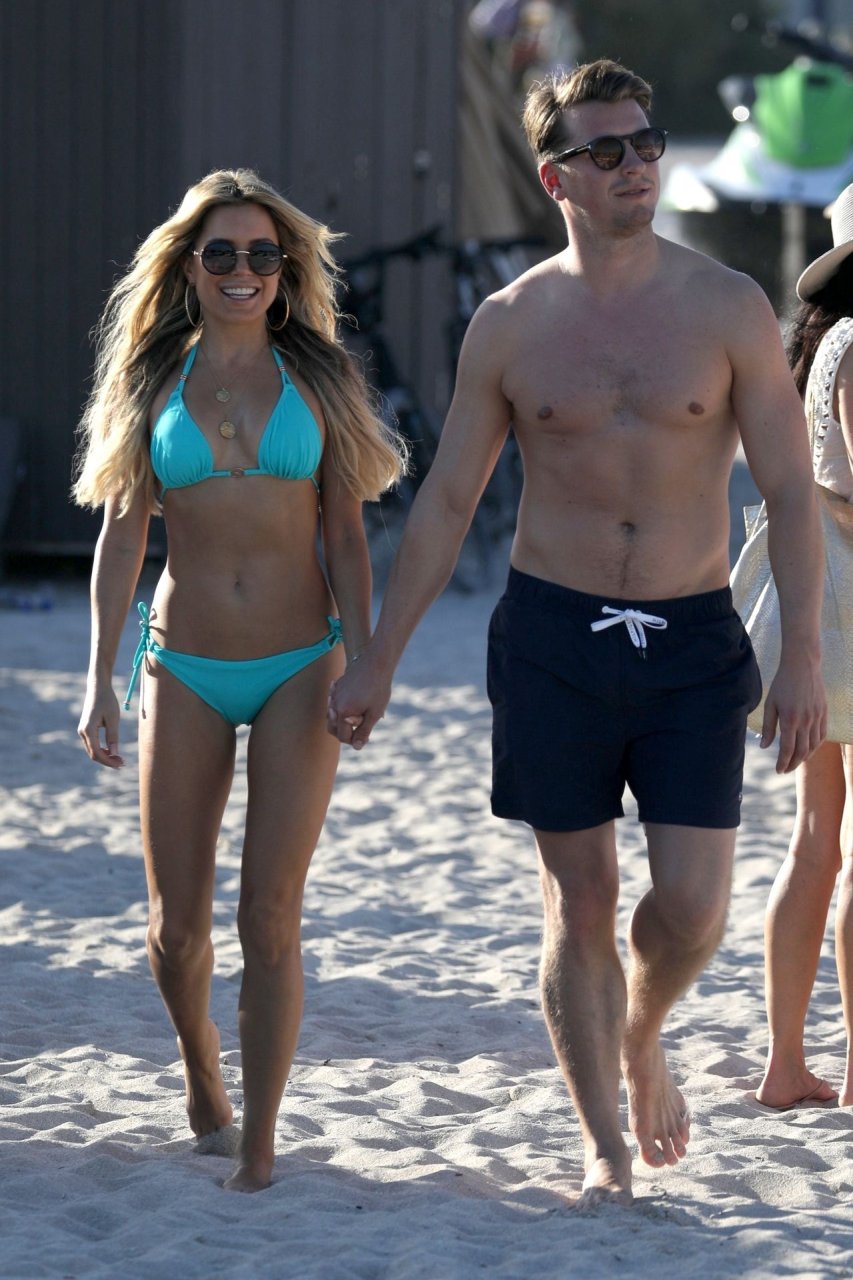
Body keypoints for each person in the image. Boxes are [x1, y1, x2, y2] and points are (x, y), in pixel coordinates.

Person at [327, 59, 827, 1208]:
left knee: (692, 908)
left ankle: (637, 1031)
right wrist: (380, 658)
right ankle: (603, 1142)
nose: (634, 165)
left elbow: (790, 491)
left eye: (645, 143)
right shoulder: (511, 324)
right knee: (580, 896)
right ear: (556, 178)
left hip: (693, 637)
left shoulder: (728, 306)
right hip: (553, 635)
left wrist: (799, 651)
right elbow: (447, 500)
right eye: (605, 151)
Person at [73, 168, 404, 1192]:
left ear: (285, 268)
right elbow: (121, 539)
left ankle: (258, 1144)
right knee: (175, 928)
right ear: (189, 266)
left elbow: (345, 535)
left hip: (304, 662)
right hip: (183, 664)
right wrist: (100, 678)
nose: (243, 270)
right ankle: (200, 1072)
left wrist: (367, 658)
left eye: (263, 253)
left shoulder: (320, 377)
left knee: (269, 914)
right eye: (220, 251)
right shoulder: (150, 380)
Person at [755, 185, 853, 1112]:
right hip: (850, 617)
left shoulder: (825, 346)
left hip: (821, 613)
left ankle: (785, 1062)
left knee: (815, 840)